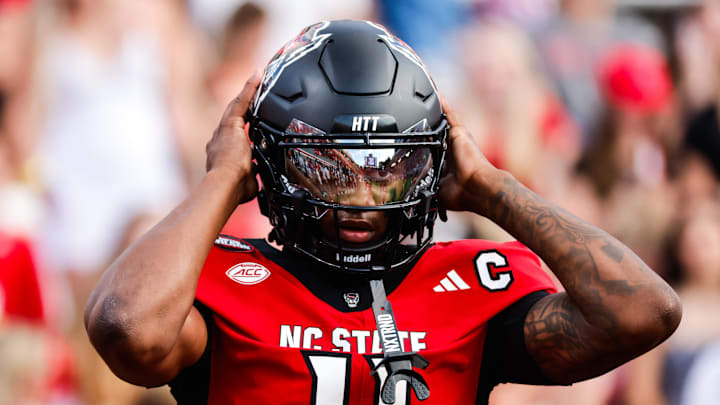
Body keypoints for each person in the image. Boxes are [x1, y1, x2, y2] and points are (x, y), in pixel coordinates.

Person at [85, 20, 681, 404]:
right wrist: (220, 179)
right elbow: (126, 329)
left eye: (390, 169)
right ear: (267, 160)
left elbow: (643, 313)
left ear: (433, 160)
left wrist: (492, 186)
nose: (364, 197)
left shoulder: (469, 282)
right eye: (330, 169)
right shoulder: (216, 279)